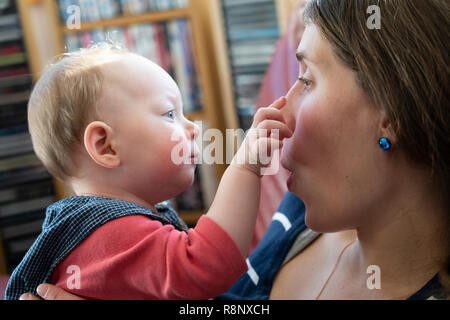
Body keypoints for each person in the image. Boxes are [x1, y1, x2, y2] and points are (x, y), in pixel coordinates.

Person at [20, 0, 450, 300]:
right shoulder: (299, 211)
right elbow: (206, 278)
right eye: (169, 115)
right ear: (103, 145)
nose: (281, 105)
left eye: (307, 78)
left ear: (390, 113)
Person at [5, 44, 293, 300]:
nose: (193, 128)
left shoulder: (105, 228)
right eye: (169, 114)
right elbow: (206, 267)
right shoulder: (112, 233)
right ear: (106, 146)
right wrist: (245, 167)